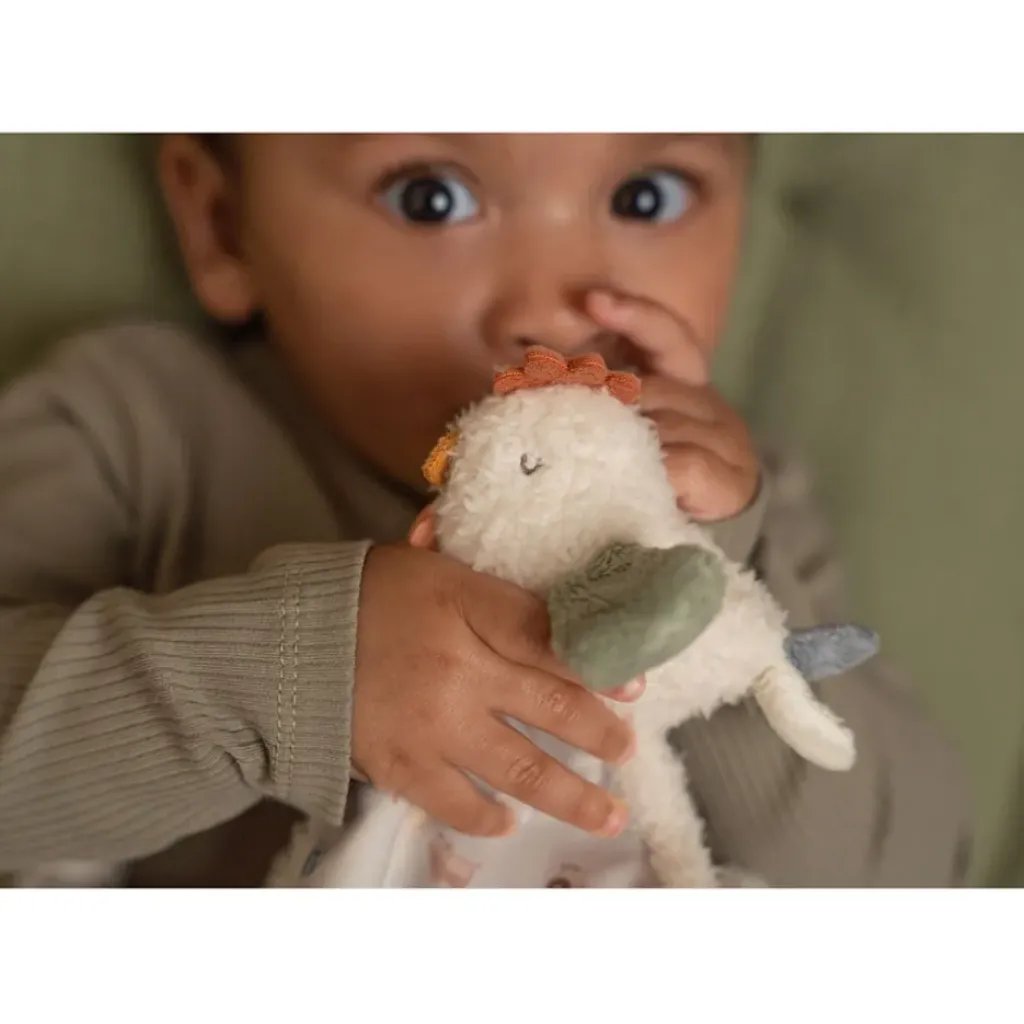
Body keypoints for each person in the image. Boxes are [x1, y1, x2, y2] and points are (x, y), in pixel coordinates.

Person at [0, 134, 970, 887]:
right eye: (431, 197)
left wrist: (696, 580)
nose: (551, 307)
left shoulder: (744, 506)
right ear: (221, 222)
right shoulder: (132, 429)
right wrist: (293, 674)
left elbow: (903, 876)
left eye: (646, 195)